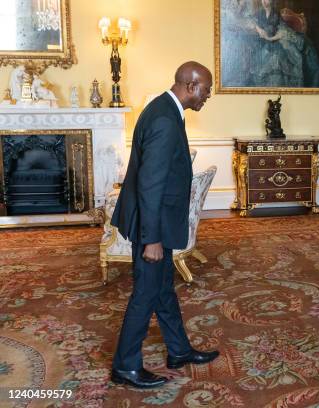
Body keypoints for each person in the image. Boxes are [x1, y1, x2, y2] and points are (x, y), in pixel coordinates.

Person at [110, 61, 219, 389]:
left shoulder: (164, 109)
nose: (207, 97)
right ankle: (125, 366)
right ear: (191, 85)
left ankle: (179, 351)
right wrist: (152, 240)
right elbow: (150, 184)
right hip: (151, 224)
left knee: (162, 288)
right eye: (207, 90)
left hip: (157, 220)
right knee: (145, 293)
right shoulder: (164, 119)